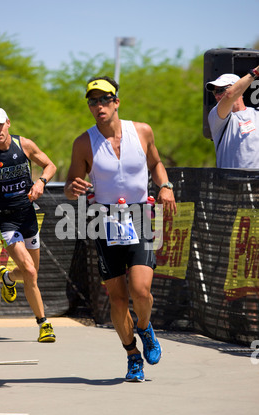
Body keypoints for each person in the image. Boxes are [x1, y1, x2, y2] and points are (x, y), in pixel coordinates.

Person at [64, 76, 177, 381]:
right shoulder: (83, 142)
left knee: (140, 290)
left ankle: (144, 328)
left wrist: (164, 185)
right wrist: (73, 189)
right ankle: (132, 355)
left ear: (116, 102)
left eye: (104, 99)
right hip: (105, 219)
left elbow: (155, 164)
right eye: (92, 101)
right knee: (116, 298)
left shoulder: (141, 131)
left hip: (138, 215)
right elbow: (70, 187)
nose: (98, 106)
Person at [0, 106, 57, 343]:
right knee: (29, 270)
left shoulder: (24, 145)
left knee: (31, 273)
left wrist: (40, 183)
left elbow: (50, 165)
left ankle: (7, 277)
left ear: (8, 123)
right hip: (5, 218)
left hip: (28, 214)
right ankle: (44, 323)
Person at [206, 66, 259, 168]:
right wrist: (255, 72)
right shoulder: (216, 117)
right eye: (215, 92)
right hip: (230, 182)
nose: (217, 96)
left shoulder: (256, 114)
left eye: (221, 90)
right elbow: (229, 95)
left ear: (239, 89)